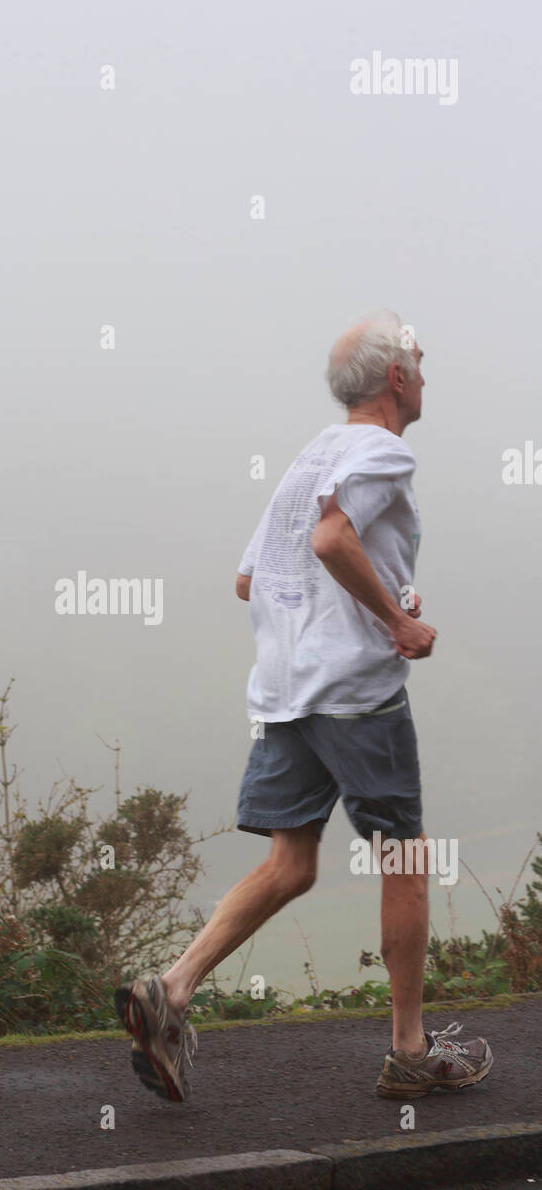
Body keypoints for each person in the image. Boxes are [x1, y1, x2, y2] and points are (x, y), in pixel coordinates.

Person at [115, 310, 492, 1102]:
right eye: (420, 359)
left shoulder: (309, 456)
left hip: (285, 692)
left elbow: (253, 579)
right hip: (354, 694)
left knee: (291, 863)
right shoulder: (382, 449)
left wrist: (369, 594)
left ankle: (171, 991)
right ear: (396, 379)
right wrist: (395, 620)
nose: (426, 370)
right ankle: (410, 1051)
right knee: (405, 858)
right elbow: (329, 542)